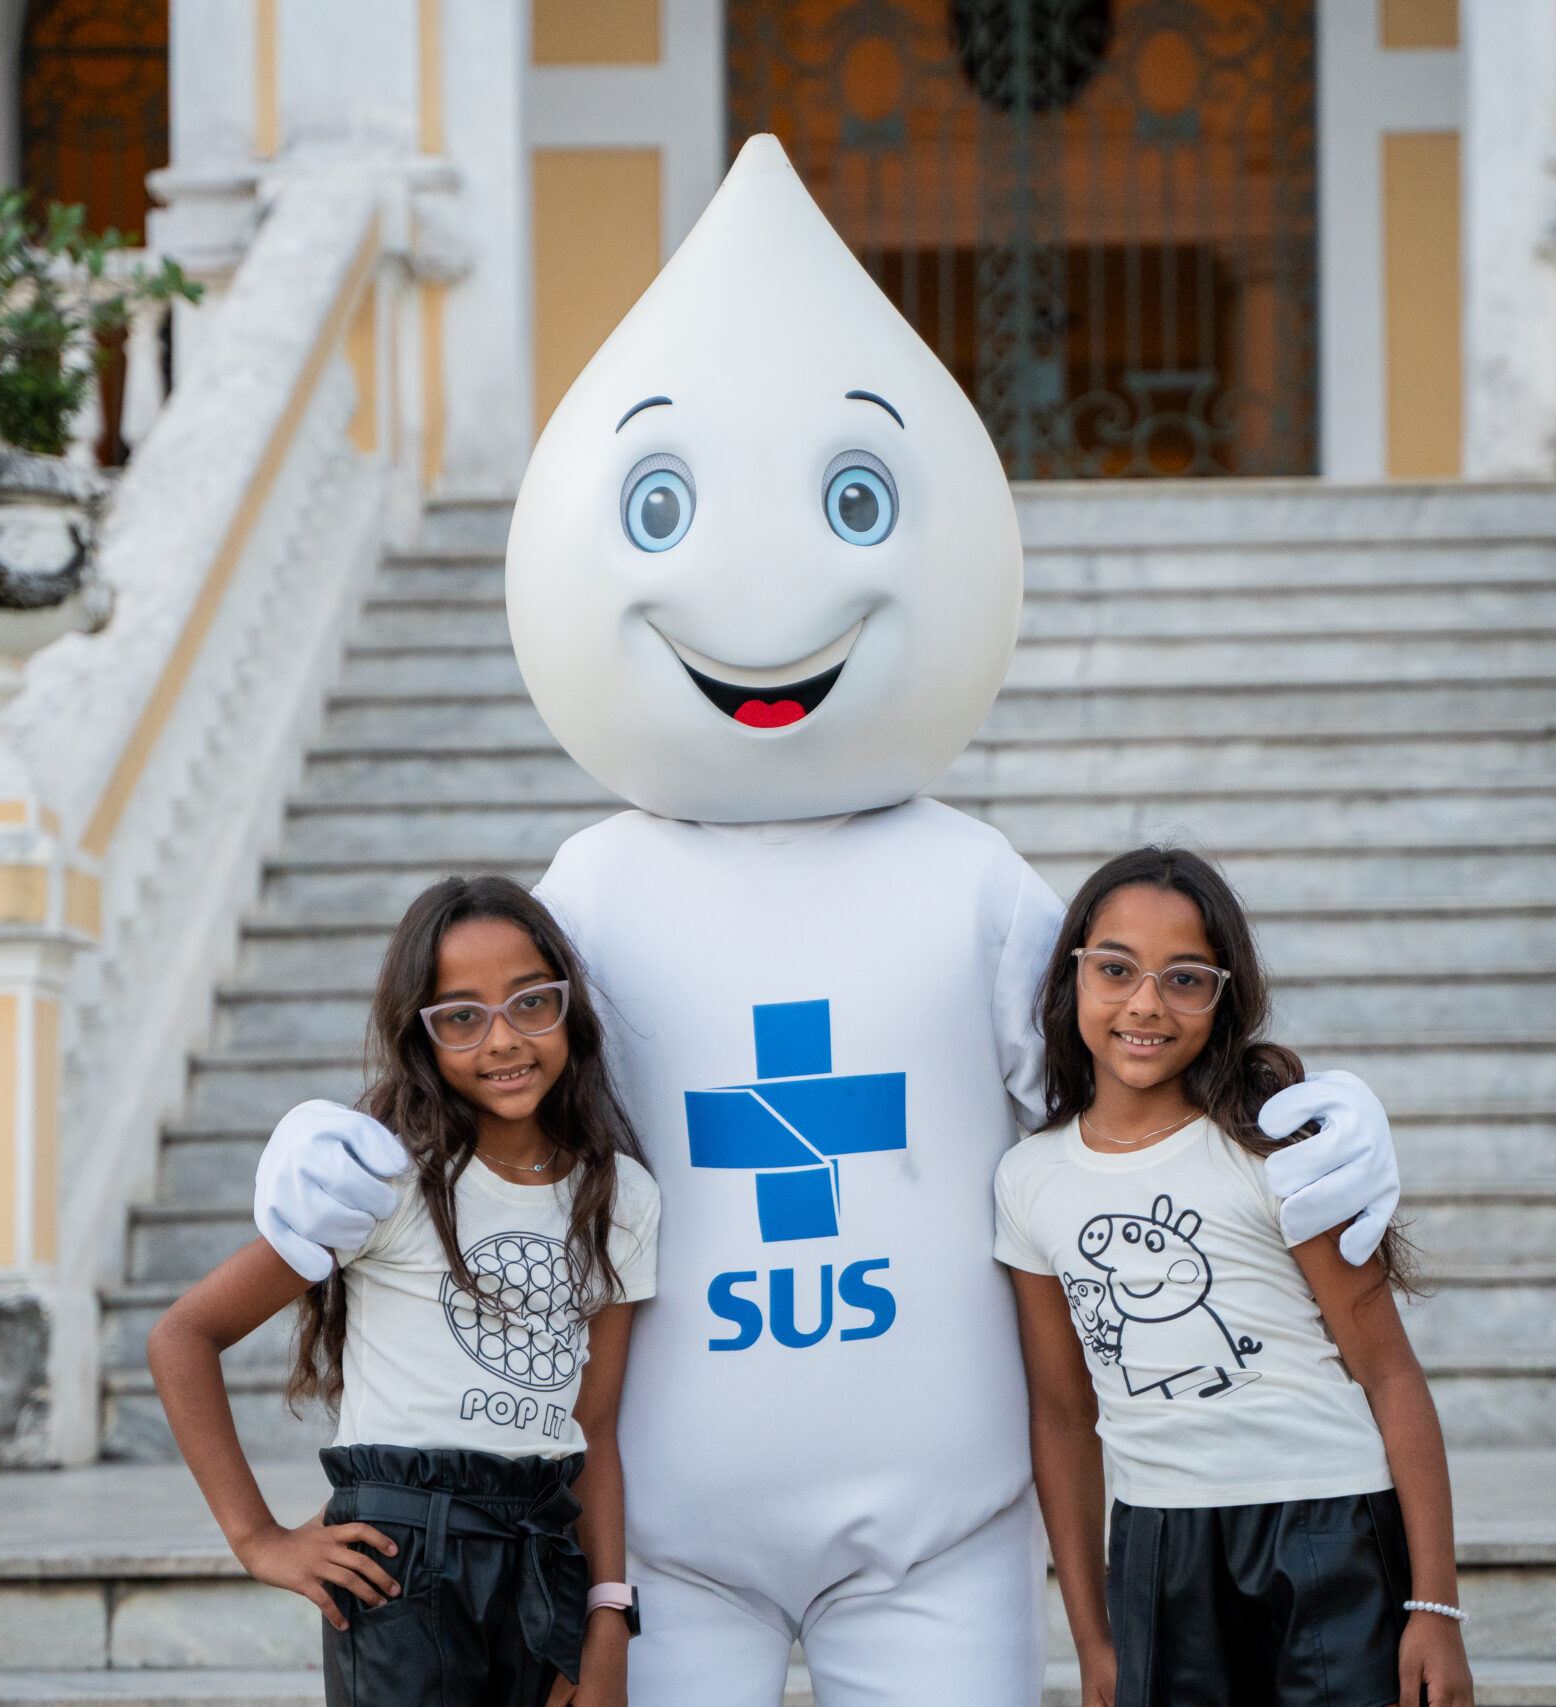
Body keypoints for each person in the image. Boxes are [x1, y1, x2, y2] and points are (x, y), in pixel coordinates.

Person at [252, 136, 1406, 1707]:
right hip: (658, 1535)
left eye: (858, 498)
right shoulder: (592, 887)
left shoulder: (974, 878)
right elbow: (485, 1074)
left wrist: (1305, 1118)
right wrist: (325, 1143)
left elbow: (1126, 1079)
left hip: (946, 1527)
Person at [152, 875, 660, 1707]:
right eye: (462, 1016)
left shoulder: (621, 1196)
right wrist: (258, 1536)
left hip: (545, 1561)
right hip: (402, 1568)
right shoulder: (385, 1180)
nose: (504, 1038)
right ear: (420, 1035)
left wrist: (609, 1615)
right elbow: (184, 1334)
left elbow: (594, 1427)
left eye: (532, 1001)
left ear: (570, 1005)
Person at [996, 846, 1473, 1707]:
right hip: (1157, 1545)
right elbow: (1062, 1416)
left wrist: (1435, 1606)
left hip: (1327, 1526)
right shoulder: (1030, 1180)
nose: (1146, 1002)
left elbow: (1390, 1372)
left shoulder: (1277, 1148)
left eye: (1184, 978)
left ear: (1224, 996)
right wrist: (1093, 1637)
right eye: (1116, 968)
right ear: (1071, 976)